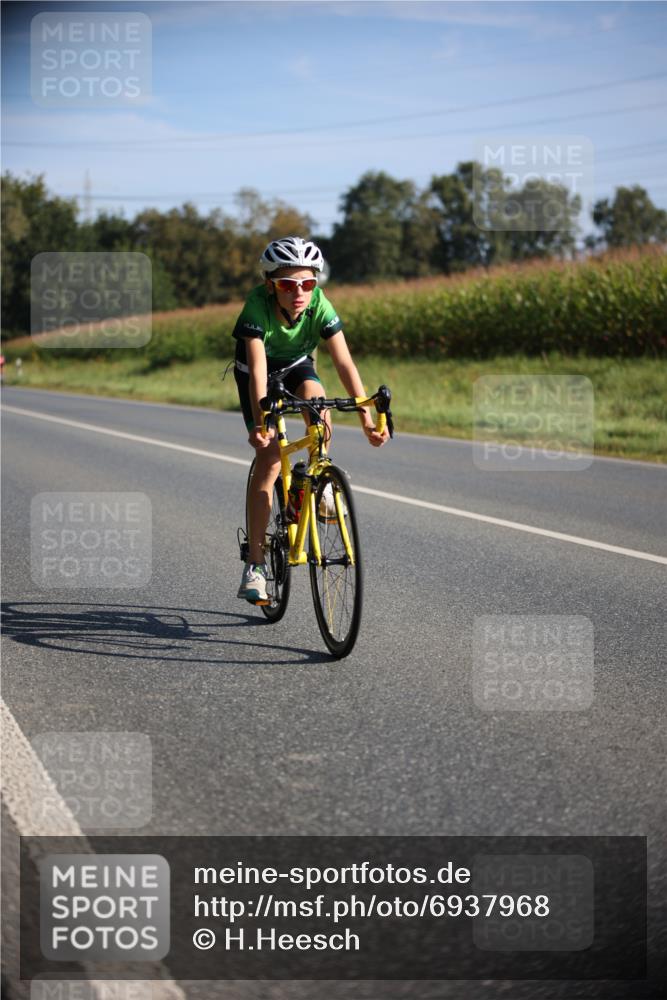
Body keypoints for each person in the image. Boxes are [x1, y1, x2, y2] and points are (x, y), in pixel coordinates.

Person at [233, 235, 389, 602]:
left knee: (319, 410)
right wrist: (262, 422)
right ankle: (255, 565)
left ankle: (319, 484)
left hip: (298, 365)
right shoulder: (256, 307)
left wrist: (366, 417)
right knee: (270, 461)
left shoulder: (319, 303)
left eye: (307, 283)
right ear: (271, 285)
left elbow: (344, 362)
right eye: (288, 284)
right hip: (258, 373)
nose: (298, 292)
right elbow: (257, 369)